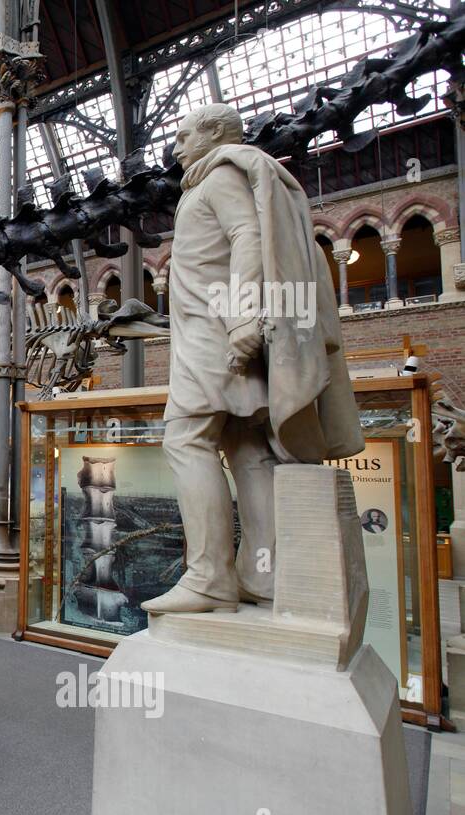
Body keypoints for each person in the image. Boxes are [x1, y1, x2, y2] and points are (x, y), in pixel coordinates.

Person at [141, 104, 364, 615]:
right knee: (246, 445)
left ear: (215, 132)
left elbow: (249, 235)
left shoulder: (219, 174)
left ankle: (208, 576)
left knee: (184, 436)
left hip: (213, 332)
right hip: (212, 330)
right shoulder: (208, 181)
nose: (174, 146)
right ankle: (262, 575)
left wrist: (243, 319)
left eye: (183, 134)